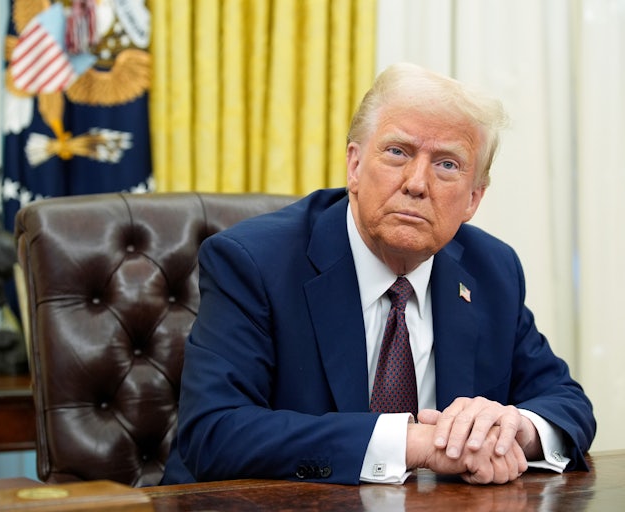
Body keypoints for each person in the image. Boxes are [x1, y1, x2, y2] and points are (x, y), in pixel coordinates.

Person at [161, 62, 596, 486]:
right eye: (397, 152)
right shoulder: (254, 262)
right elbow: (214, 433)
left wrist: (511, 428)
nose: (416, 183)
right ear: (354, 165)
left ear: (473, 199)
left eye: (447, 164)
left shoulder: (492, 270)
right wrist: (413, 444)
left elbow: (568, 403)